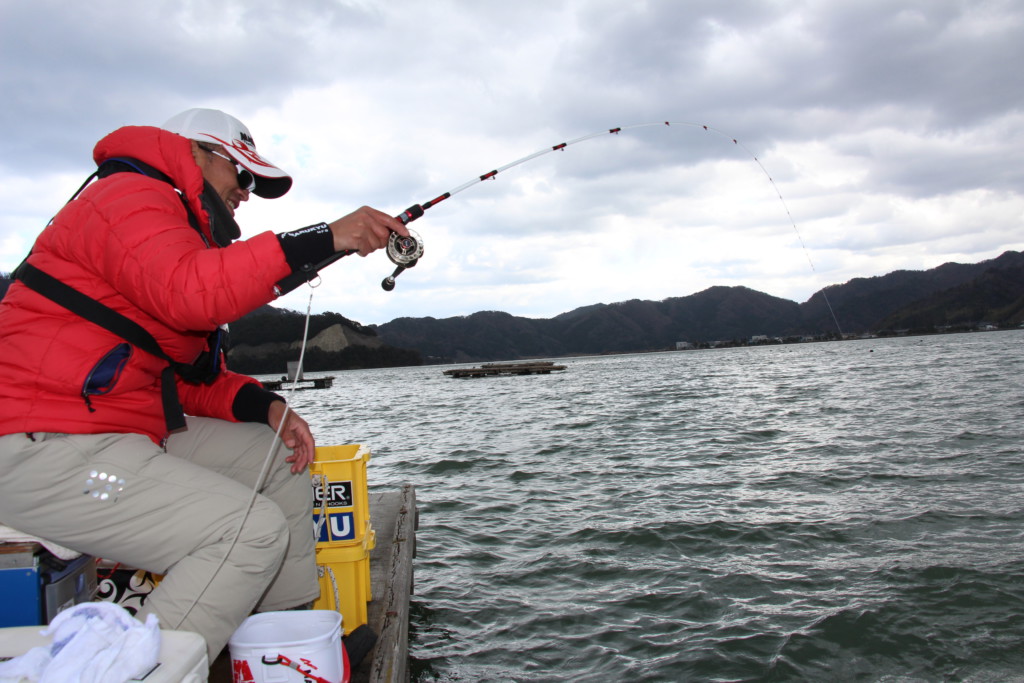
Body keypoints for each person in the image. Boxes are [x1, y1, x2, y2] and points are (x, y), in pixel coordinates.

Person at [0, 108, 408, 661]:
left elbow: (183, 380)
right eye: (241, 175)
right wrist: (326, 236)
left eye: (254, 183)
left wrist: (267, 407)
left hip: (113, 427)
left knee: (276, 456)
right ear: (194, 151)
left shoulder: (169, 230)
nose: (246, 192)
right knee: (248, 532)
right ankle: (134, 673)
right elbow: (194, 294)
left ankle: (288, 645)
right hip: (39, 442)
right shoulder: (130, 195)